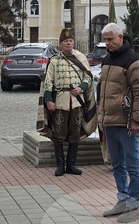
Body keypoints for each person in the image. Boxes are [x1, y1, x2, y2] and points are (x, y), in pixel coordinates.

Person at [96, 23, 139, 219]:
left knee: (132, 164)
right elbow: (101, 92)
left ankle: (133, 203)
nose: (107, 43)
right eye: (105, 39)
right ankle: (122, 199)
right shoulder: (106, 60)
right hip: (109, 122)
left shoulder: (133, 60)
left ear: (120, 38)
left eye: (110, 39)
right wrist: (100, 118)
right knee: (116, 164)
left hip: (127, 124)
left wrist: (137, 120)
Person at [37, 29, 95, 176]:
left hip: (76, 103)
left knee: (74, 134)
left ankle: (71, 165)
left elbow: (88, 77)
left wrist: (81, 88)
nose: (68, 43)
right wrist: (49, 100)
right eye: (65, 41)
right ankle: (60, 165)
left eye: (70, 41)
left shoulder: (80, 58)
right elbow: (48, 82)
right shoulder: (54, 60)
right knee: (58, 135)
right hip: (60, 102)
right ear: (60, 43)